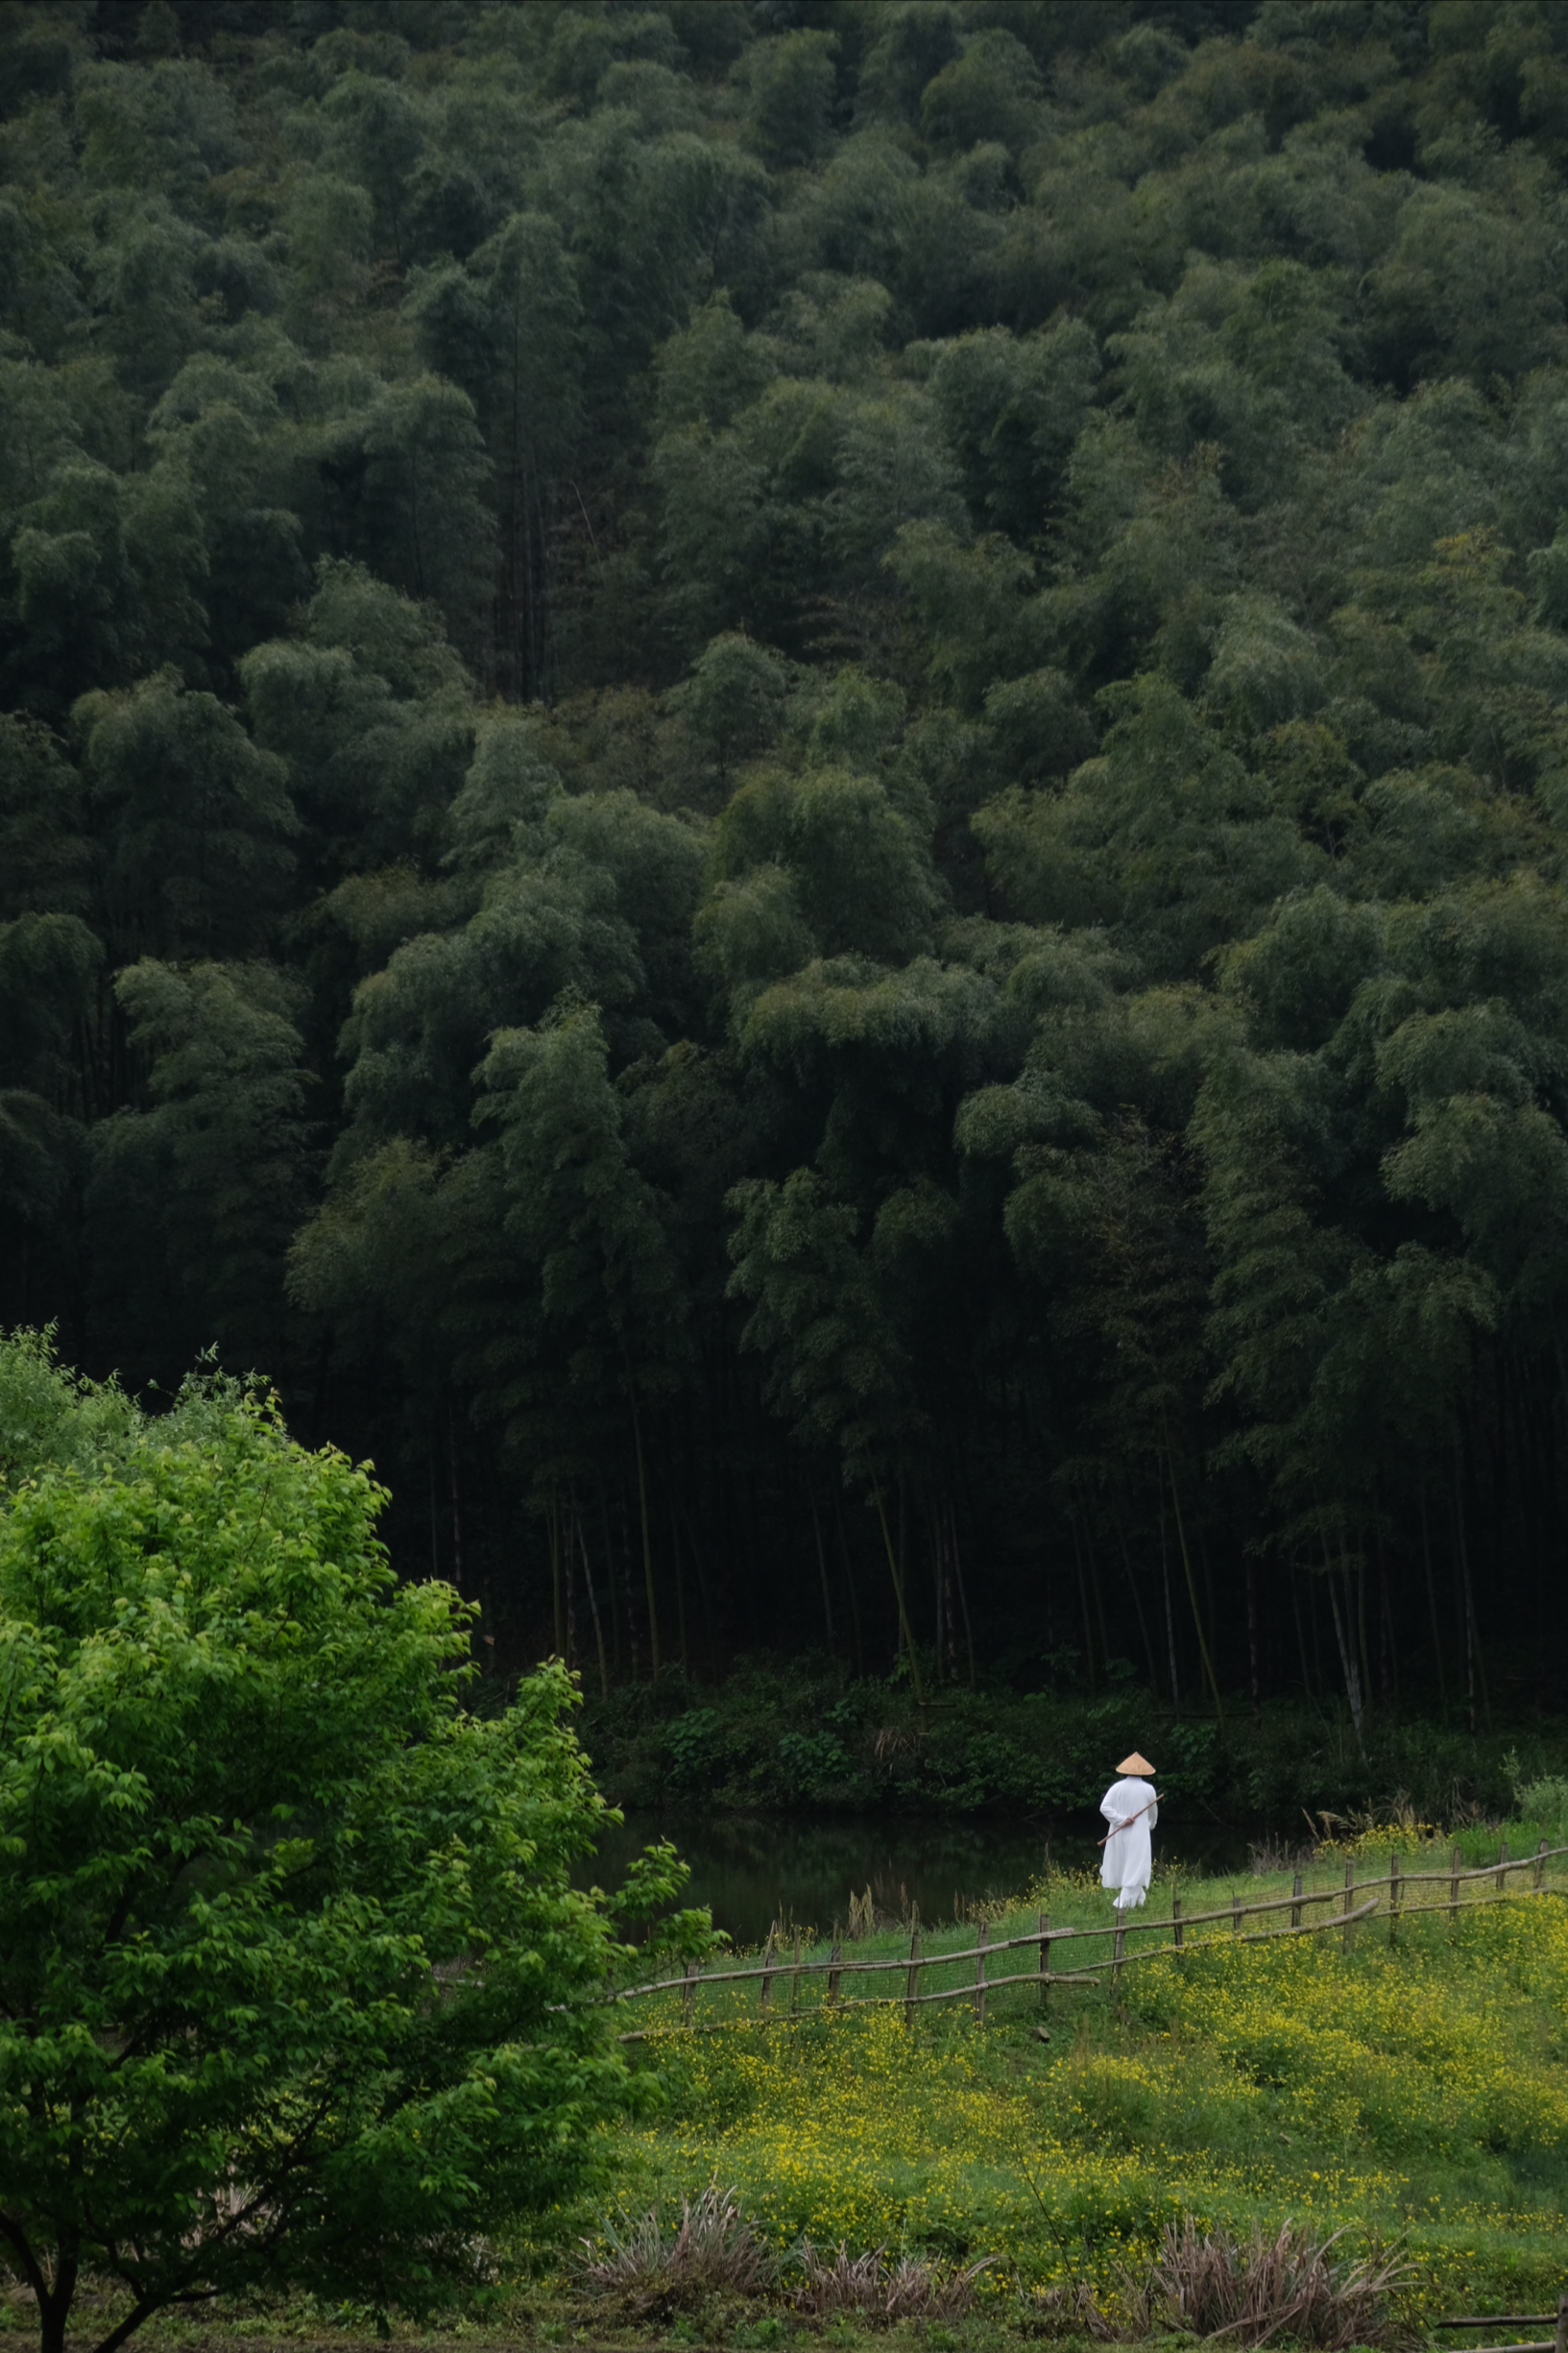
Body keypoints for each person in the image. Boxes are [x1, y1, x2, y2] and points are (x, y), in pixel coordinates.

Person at [1099, 1751, 1158, 1912]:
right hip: (1138, 1834)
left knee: (1131, 1865)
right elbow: (1153, 1814)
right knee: (1135, 1865)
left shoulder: (1116, 1787)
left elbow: (1104, 1808)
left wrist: (1119, 1820)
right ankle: (1121, 1905)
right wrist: (1148, 1825)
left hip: (1119, 1833)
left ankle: (1138, 1901)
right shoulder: (1148, 1789)